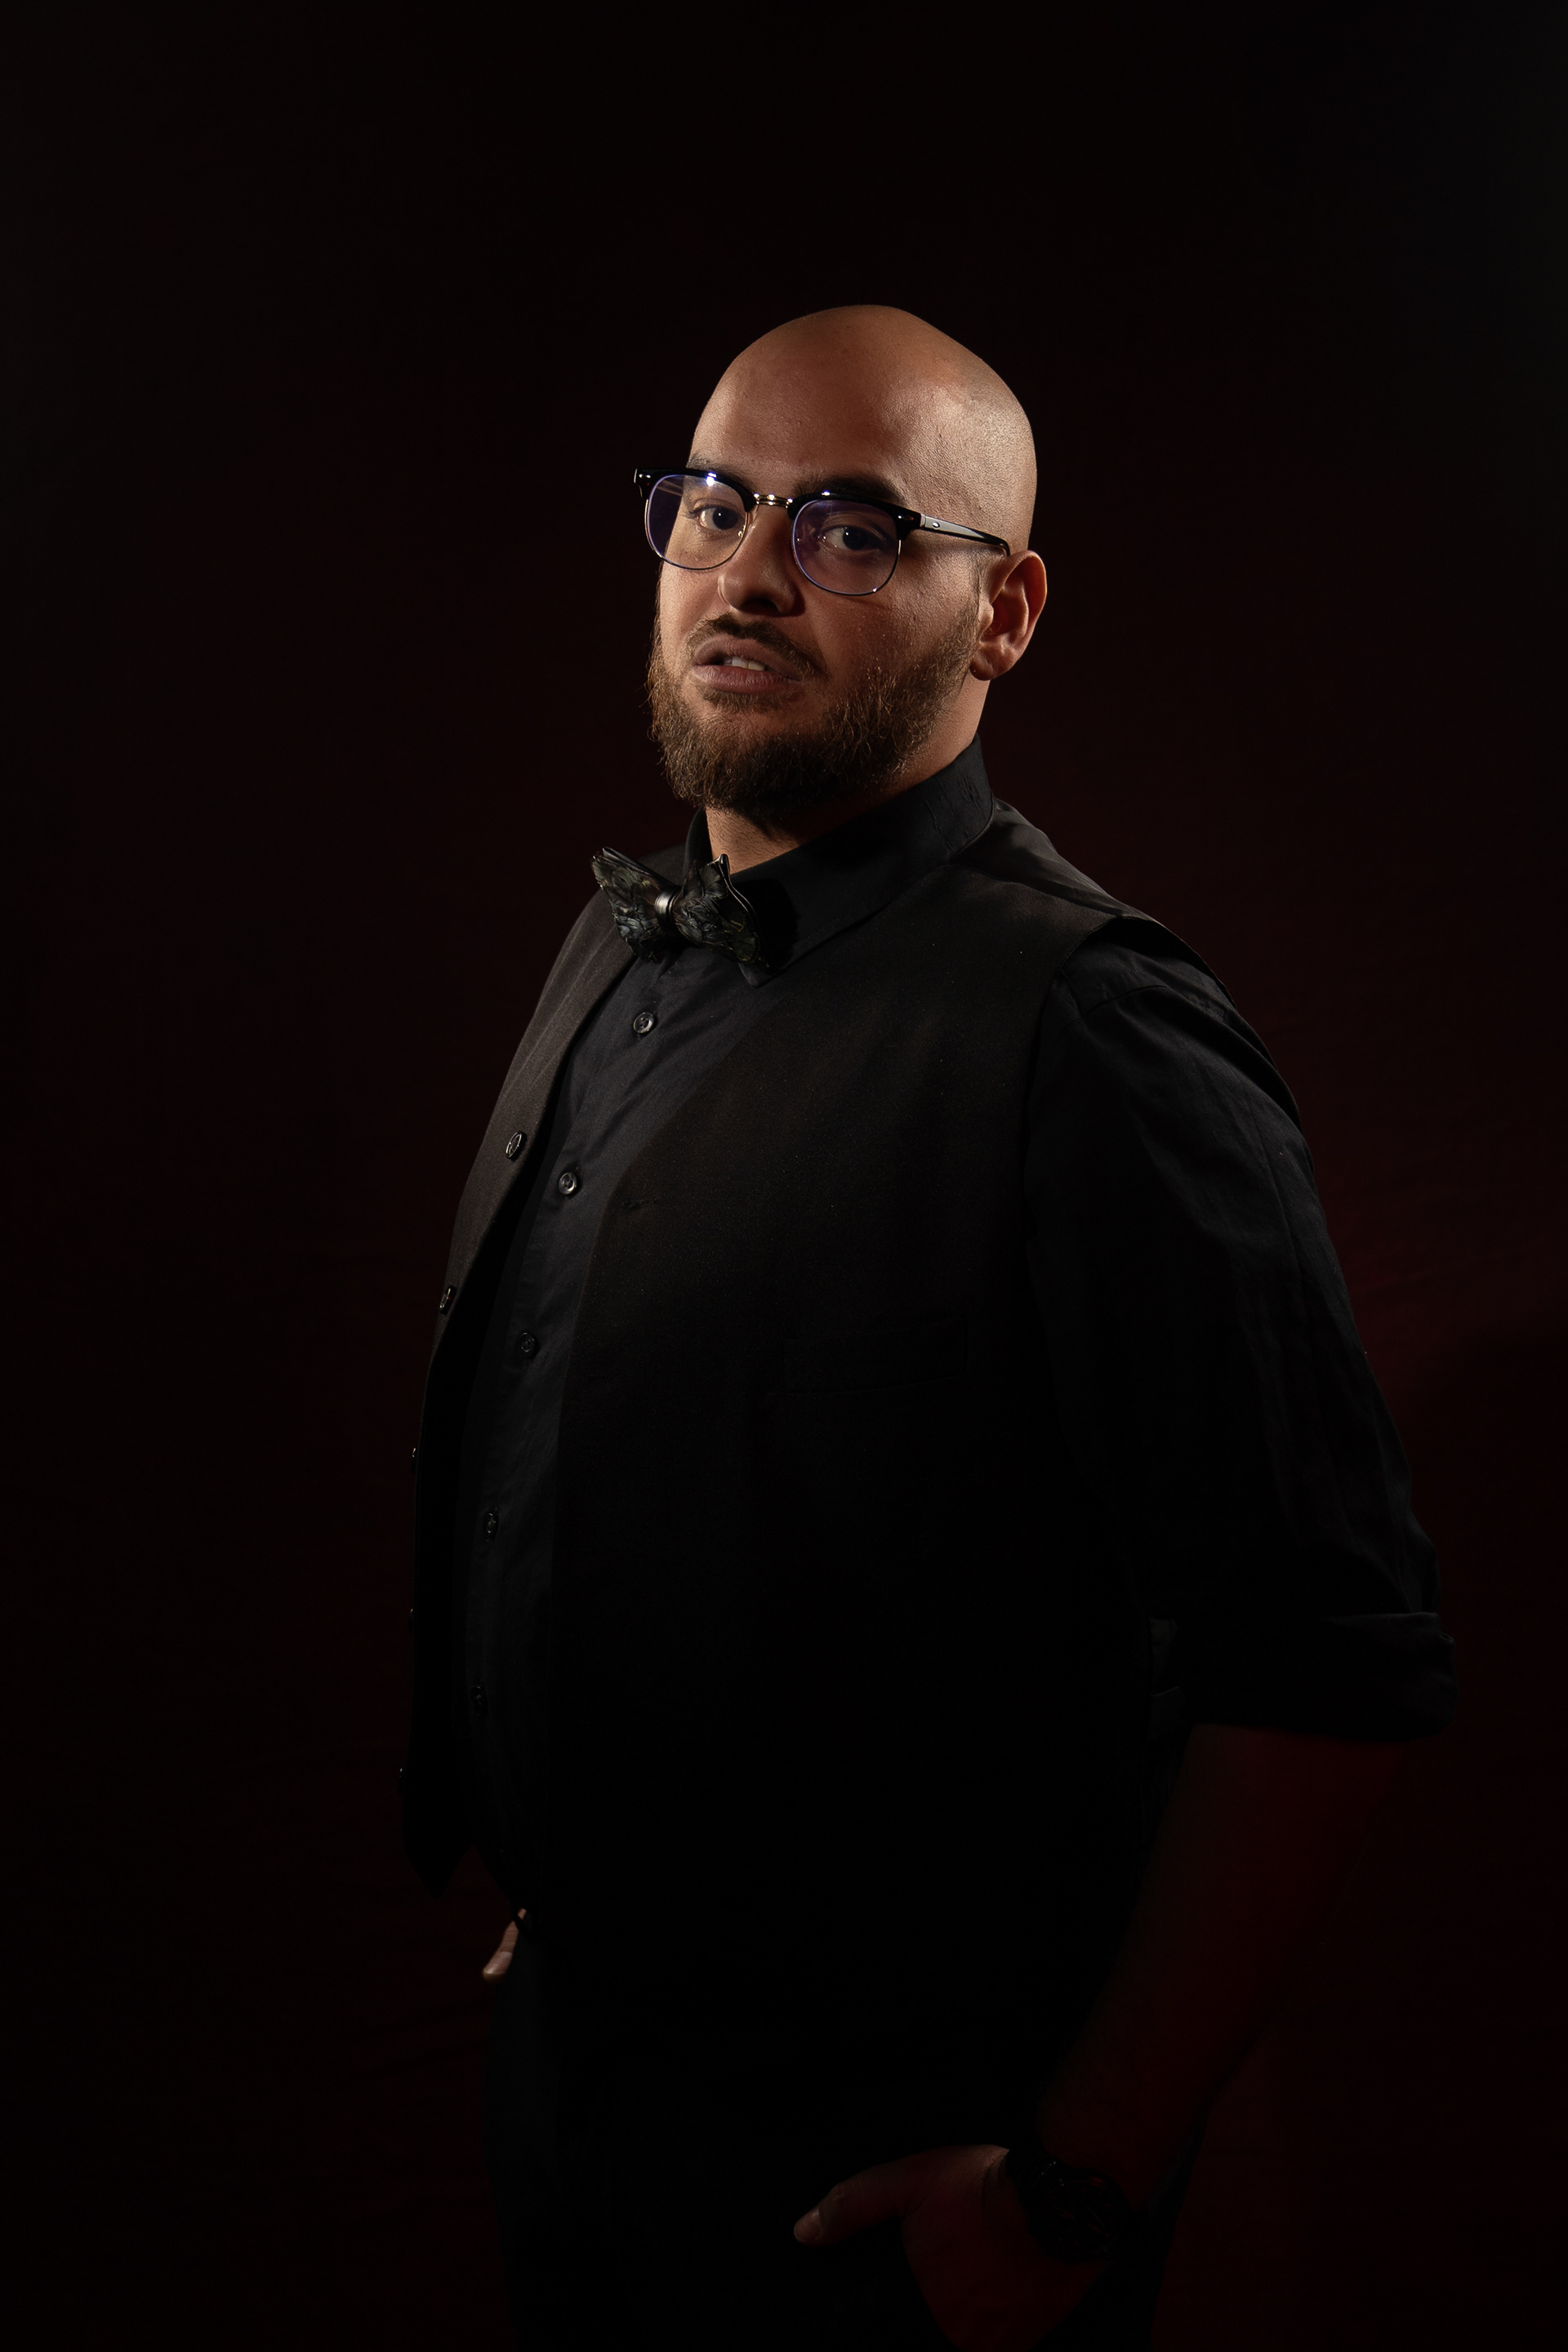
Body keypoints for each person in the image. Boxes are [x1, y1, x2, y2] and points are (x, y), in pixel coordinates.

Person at [400, 306, 1455, 2350]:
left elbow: (1324, 1668)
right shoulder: (614, 946)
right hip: (581, 2106)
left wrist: (1077, 2184)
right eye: (714, 504)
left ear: (1007, 614)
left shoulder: (1098, 1037)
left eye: (852, 527)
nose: (749, 569)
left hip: (899, 2199)